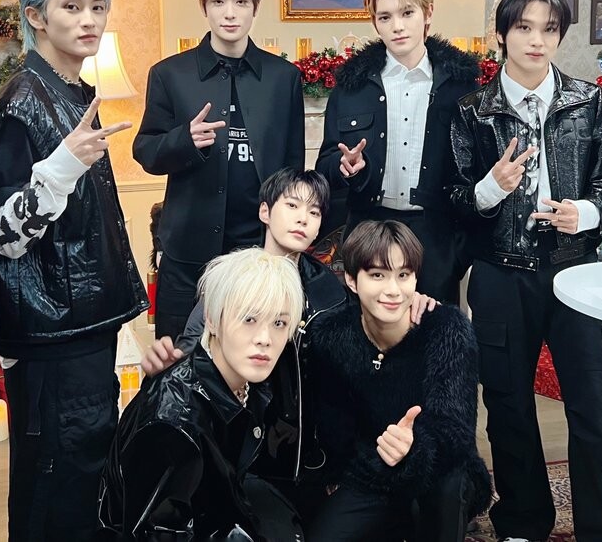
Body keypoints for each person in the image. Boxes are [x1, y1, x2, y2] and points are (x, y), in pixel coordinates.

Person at [450, 0, 602, 542]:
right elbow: (456, 199)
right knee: (508, 404)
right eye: (524, 28)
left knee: (595, 401)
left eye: (549, 29)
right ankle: (522, 522)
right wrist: (492, 187)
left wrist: (587, 212)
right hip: (499, 273)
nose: (537, 40)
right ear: (502, 34)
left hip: (574, 271)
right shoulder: (473, 111)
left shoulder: (587, 100)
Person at [0, 0, 148, 541]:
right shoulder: (24, 101)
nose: (89, 19)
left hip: (80, 326)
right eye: (71, 6)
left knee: (84, 475)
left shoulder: (72, 93)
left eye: (98, 6)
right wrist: (61, 167)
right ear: (36, 16)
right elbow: (2, 235)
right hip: (52, 332)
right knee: (55, 486)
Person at [141, 167, 346, 518]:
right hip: (239, 446)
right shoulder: (233, 276)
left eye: (314, 212)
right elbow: (193, 347)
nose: (303, 219)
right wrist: (168, 368)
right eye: (292, 206)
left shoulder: (328, 290)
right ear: (265, 211)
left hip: (307, 457)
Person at [134, 0, 305, 338]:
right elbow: (146, 151)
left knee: (258, 357)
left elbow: (292, 169)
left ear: (255, 5)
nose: (230, 13)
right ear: (204, 6)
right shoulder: (169, 74)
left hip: (260, 254)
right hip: (187, 255)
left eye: (241, 1)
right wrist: (184, 140)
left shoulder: (284, 78)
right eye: (218, 1)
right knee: (180, 358)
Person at [99, 246, 306, 541]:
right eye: (249, 319)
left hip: (216, 509)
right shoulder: (174, 425)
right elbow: (156, 533)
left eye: (279, 323)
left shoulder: (250, 378)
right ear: (211, 319)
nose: (265, 339)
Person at [307, 221, 492, 542]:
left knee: (449, 486)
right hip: (374, 471)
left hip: (439, 468)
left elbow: (455, 434)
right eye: (377, 275)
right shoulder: (333, 337)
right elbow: (336, 432)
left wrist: (412, 447)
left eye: (403, 275)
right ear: (351, 280)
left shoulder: (446, 329)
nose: (393, 290)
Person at [316, 0, 479, 304]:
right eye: (385, 17)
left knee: (433, 331)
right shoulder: (352, 87)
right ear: (375, 23)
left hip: (436, 238)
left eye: (407, 13)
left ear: (428, 12)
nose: (397, 26)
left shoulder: (460, 87)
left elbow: (474, 170)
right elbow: (325, 164)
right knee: (367, 330)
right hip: (369, 231)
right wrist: (346, 168)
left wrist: (458, 250)